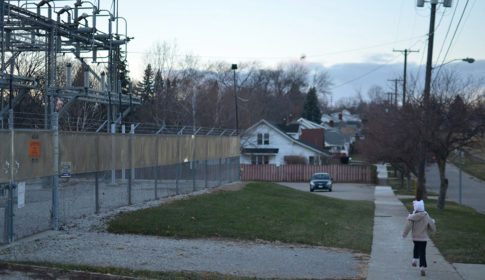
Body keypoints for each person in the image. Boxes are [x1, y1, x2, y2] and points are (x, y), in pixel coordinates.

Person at [402, 200, 436, 276]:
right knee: (422, 252)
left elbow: (408, 226)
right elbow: (431, 223)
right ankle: (422, 267)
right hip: (423, 238)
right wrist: (433, 226)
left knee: (416, 247)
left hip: (415, 237)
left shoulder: (412, 216)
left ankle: (414, 259)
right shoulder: (426, 215)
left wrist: (404, 234)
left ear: (415, 207)